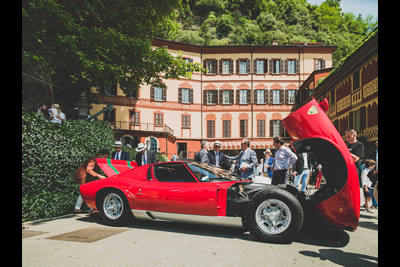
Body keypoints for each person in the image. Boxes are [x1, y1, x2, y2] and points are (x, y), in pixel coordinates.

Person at [73, 149, 110, 213]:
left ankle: (88, 208)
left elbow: (97, 170)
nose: (106, 159)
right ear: (101, 155)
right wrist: (100, 176)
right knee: (84, 191)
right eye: (105, 157)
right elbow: (89, 170)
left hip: (88, 176)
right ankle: (78, 208)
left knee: (88, 191)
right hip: (83, 176)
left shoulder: (98, 160)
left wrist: (102, 176)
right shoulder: (93, 160)